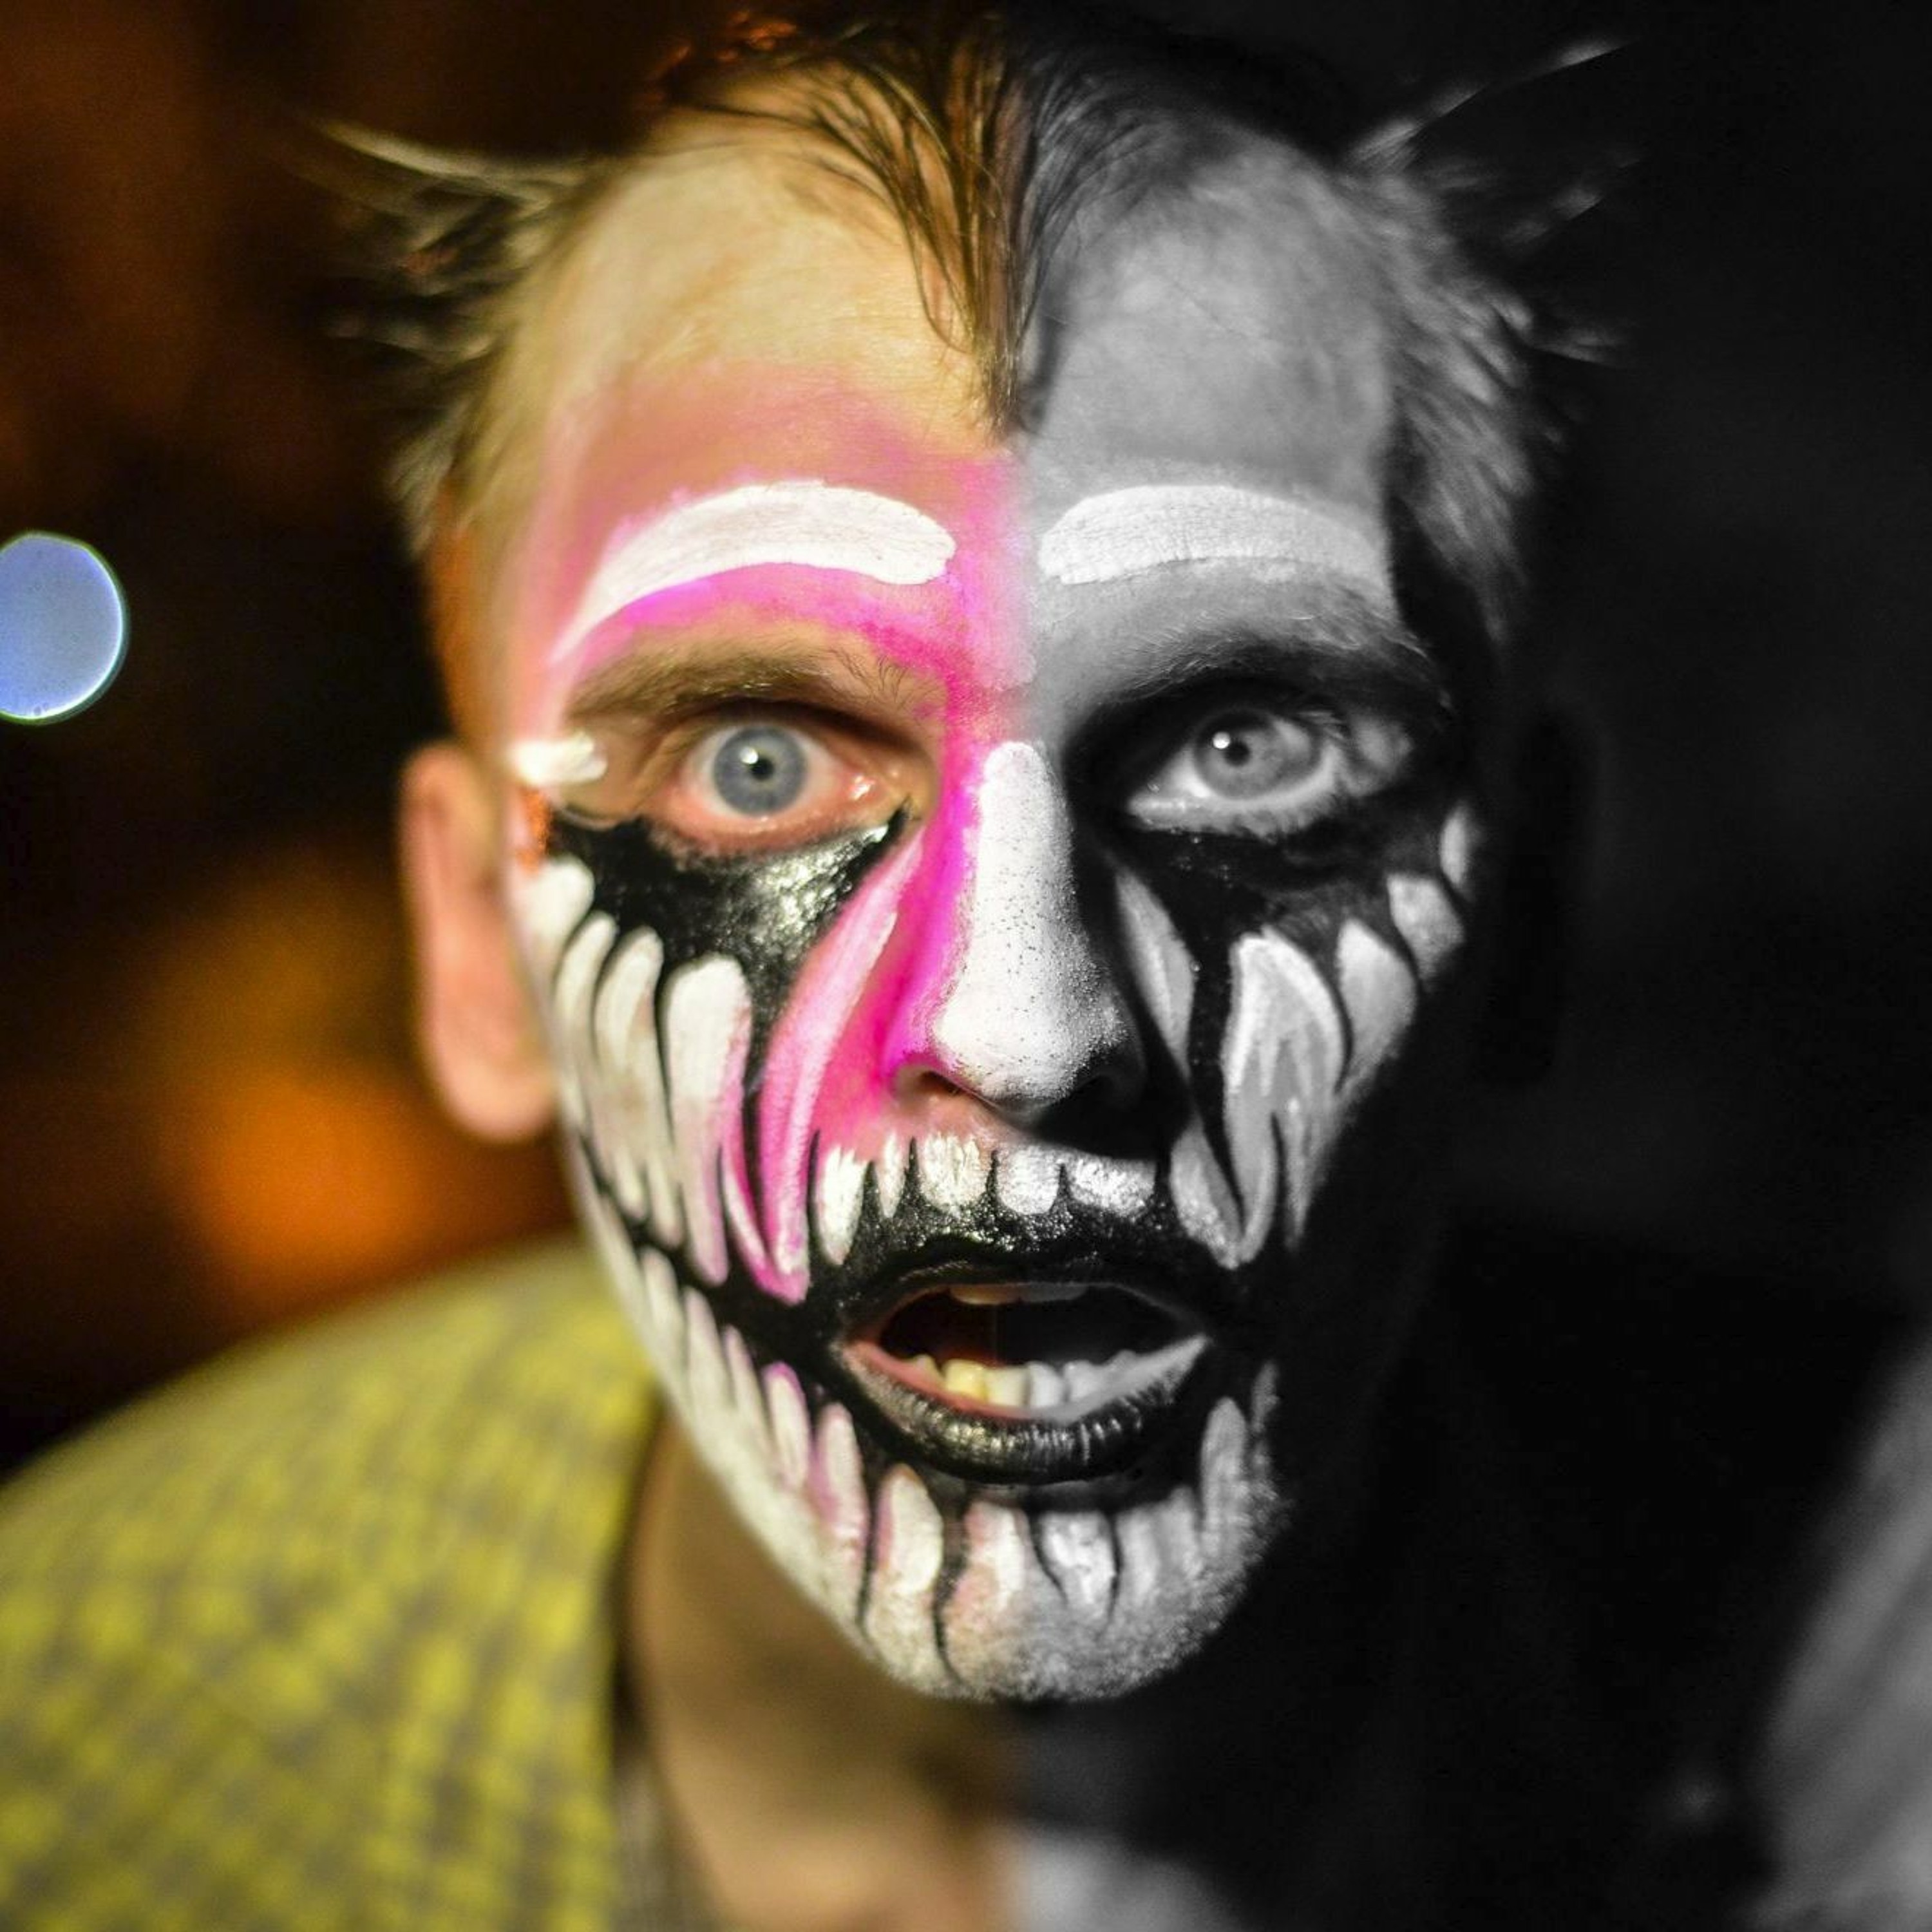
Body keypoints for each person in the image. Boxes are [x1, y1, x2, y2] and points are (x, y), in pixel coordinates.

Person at [0, 5, 1627, 1925]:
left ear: (1529, 907)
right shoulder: (73, 1751)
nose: (1024, 1032)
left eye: (1240, 747)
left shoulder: (1883, 1709)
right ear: (476, 949)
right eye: (754, 765)